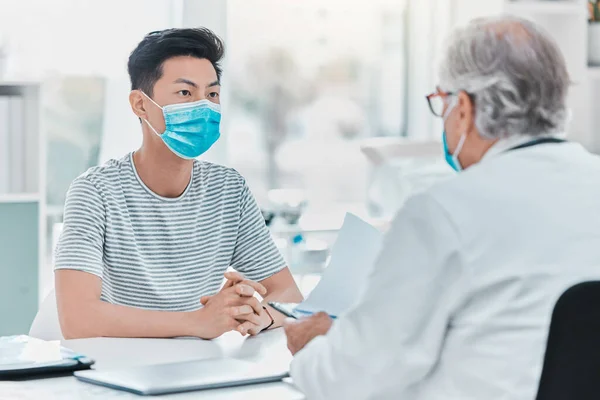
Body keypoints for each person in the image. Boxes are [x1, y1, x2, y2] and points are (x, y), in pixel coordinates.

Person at [284, 16, 600, 399]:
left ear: (464, 108)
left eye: (442, 103)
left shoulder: (442, 211)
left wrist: (313, 347)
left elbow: (350, 380)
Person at [54, 28, 302, 340]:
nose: (204, 107)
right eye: (185, 93)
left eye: (212, 94)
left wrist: (259, 317)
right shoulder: (95, 192)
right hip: (120, 369)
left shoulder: (228, 190)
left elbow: (289, 294)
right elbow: (78, 319)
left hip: (199, 367)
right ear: (141, 105)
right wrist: (199, 322)